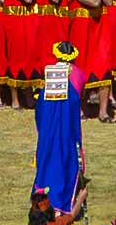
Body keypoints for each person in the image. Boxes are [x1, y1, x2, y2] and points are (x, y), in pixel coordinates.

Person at [33, 42, 85, 214]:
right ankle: (59, 203)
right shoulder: (77, 79)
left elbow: (40, 111)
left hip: (48, 134)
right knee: (63, 164)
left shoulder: (45, 89)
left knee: (47, 163)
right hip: (65, 136)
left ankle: (44, 200)